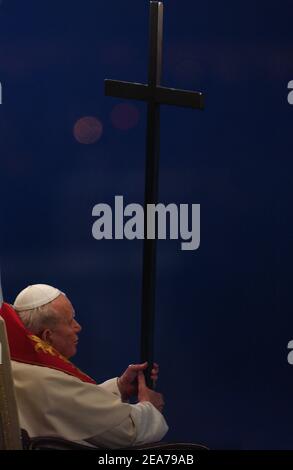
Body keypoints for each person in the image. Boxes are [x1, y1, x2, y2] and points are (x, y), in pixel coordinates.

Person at [8, 284, 168, 448]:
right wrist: (149, 408)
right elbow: (127, 431)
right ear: (47, 336)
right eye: (70, 321)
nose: (78, 327)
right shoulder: (44, 378)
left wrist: (119, 388)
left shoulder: (14, 365)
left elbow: (69, 408)